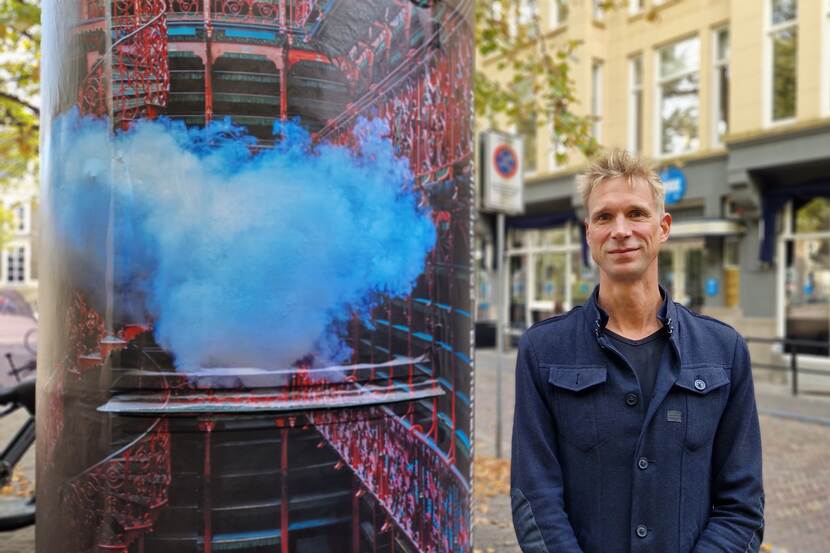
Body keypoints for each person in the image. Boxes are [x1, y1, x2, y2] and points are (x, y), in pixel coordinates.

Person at [510, 149, 764, 553]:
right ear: (588, 233)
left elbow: (742, 505)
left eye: (636, 214)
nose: (621, 229)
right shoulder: (543, 350)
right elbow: (534, 497)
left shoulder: (724, 351)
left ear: (663, 227)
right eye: (604, 217)